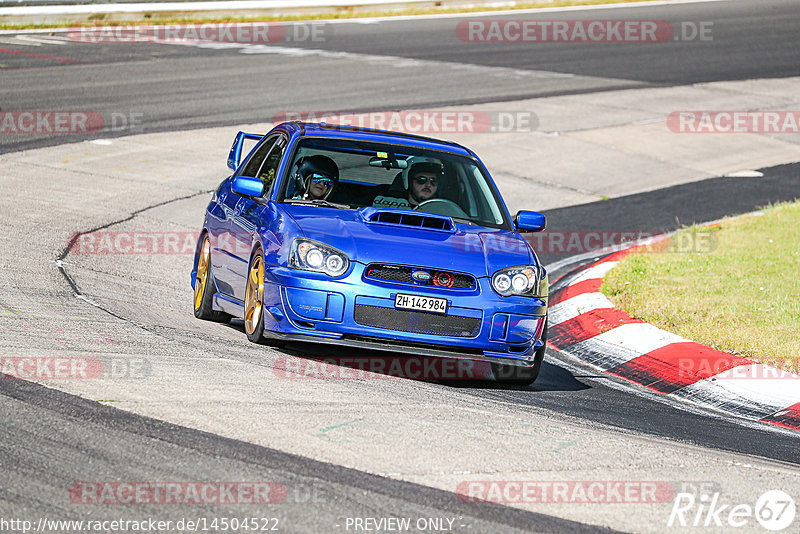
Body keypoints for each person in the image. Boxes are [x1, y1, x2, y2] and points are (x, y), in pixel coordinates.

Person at [372, 156, 444, 209]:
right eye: (422, 180)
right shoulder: (384, 206)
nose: (428, 185)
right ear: (409, 181)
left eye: (433, 181)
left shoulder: (445, 212)